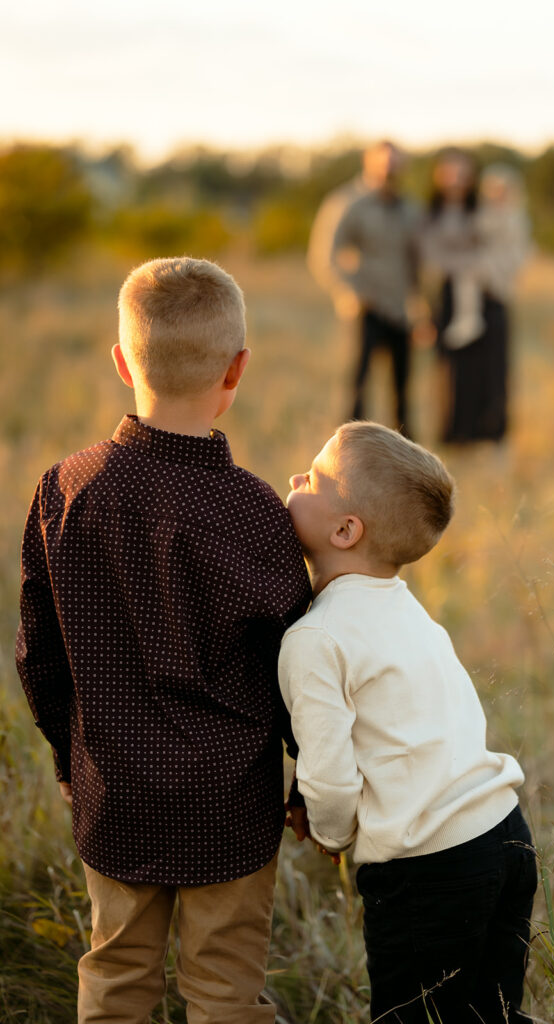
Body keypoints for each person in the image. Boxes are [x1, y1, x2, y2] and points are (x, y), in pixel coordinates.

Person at [15, 257, 311, 1024]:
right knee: (224, 993)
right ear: (237, 368)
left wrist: (67, 756)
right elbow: (296, 672)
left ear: (121, 361)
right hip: (231, 805)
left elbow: (37, 654)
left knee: (113, 981)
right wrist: (308, 780)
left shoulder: (66, 489)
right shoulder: (255, 513)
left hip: (114, 794)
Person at [278, 421, 537, 1024]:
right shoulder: (407, 609)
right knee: (489, 1015)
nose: (295, 479)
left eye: (313, 478)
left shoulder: (314, 638)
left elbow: (332, 778)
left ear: (346, 530)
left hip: (430, 868)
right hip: (504, 834)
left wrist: (332, 834)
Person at [311, 140, 421, 436]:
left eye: (394, 164)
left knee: (402, 392)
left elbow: (417, 260)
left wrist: (420, 305)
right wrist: (349, 293)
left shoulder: (409, 208)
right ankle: (345, 457)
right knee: (355, 390)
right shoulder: (347, 202)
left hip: (399, 309)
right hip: (363, 308)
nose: (389, 170)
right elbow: (324, 255)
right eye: (383, 164)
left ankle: (408, 465)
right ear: (368, 163)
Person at [421, 150, 530, 444]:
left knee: (492, 371)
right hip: (451, 298)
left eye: (463, 174)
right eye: (450, 172)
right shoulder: (430, 214)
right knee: (454, 372)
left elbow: (513, 249)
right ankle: (457, 435)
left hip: (491, 296)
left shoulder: (484, 210)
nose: (456, 180)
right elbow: (429, 260)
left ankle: (493, 432)